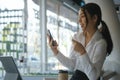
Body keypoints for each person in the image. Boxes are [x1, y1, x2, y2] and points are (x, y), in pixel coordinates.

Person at [47, 3, 113, 80]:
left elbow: (93, 76)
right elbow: (72, 65)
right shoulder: (77, 37)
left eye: (82, 17)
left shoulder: (101, 43)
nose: (79, 20)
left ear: (94, 18)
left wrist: (82, 52)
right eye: (79, 17)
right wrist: (55, 51)